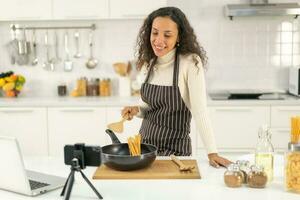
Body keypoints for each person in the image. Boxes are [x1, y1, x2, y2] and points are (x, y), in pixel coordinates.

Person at [121, 7, 231, 168]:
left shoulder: (190, 62)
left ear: (179, 36)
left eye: (167, 35)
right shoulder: (149, 63)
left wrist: (212, 152)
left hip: (176, 153)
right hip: (144, 150)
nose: (158, 40)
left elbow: (200, 111)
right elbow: (148, 107)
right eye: (155, 32)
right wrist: (136, 110)